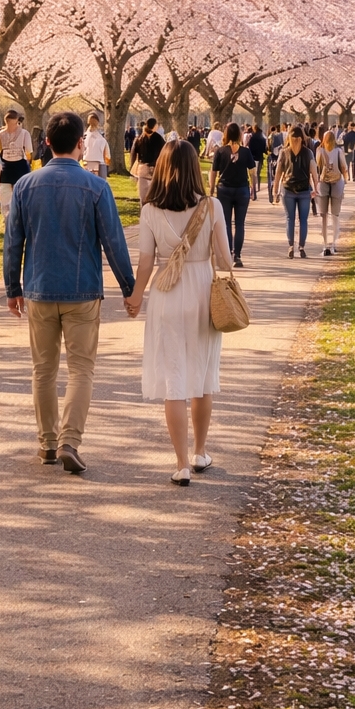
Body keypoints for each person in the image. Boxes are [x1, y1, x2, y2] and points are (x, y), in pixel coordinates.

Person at [4, 111, 136, 474]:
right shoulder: (96, 187)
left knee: (42, 369)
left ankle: (47, 442)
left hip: (39, 287)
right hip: (82, 290)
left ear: (46, 142)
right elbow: (114, 242)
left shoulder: (25, 186)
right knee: (81, 369)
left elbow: (13, 241)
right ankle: (70, 440)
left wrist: (12, 287)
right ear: (81, 144)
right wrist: (130, 288)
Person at [126, 141, 233, 486]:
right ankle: (201, 452)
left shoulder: (150, 210)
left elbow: (145, 261)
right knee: (201, 377)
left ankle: (182, 463)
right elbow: (226, 260)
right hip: (203, 291)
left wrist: (136, 297)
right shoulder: (212, 206)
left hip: (167, 292)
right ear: (194, 169)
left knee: (174, 378)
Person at [209, 122, 257, 267]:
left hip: (224, 189)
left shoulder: (220, 151)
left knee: (227, 224)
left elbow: (213, 172)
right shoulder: (246, 151)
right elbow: (253, 172)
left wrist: (211, 189)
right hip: (242, 189)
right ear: (239, 134)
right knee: (240, 223)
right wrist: (253, 188)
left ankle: (228, 252)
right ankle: (238, 255)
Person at [273, 125, 319, 259]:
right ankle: (302, 247)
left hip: (288, 189)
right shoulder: (308, 152)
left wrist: (275, 190)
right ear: (302, 138)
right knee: (303, 220)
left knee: (290, 219)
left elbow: (278, 173)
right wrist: (316, 188)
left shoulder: (284, 152)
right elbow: (314, 172)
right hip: (304, 190)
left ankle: (291, 246)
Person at [0, 108, 34, 230]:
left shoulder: (24, 133)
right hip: (6, 167)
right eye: (8, 123)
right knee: (5, 195)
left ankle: (20, 219)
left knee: (21, 194)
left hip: (19, 166)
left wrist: (28, 163)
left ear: (17, 121)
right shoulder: (0, 134)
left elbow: (28, 152)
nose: (10, 126)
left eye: (12, 123)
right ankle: (8, 219)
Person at [316, 129, 348, 256]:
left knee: (324, 216)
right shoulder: (339, 151)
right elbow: (344, 167)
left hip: (323, 182)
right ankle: (333, 244)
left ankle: (325, 245)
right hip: (337, 182)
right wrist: (345, 181)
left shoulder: (320, 151)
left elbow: (317, 167)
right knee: (335, 216)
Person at [130, 117, 165, 207]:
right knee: (155, 197)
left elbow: (133, 154)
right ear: (155, 126)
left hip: (142, 169)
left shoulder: (140, 138)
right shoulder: (159, 139)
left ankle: (143, 215)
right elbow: (165, 152)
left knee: (143, 197)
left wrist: (132, 167)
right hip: (156, 169)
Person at [247, 124, 267, 193]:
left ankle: (253, 186)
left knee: (252, 173)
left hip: (253, 157)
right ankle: (258, 186)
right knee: (258, 173)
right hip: (260, 157)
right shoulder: (262, 139)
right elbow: (264, 149)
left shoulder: (252, 138)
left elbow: (250, 148)